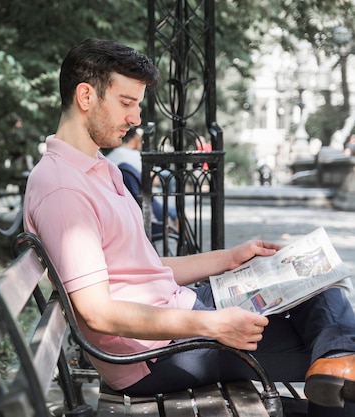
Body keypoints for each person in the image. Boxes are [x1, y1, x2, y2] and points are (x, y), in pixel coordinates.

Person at [23, 37, 355, 417]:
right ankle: (339, 363)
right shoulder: (64, 187)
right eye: (126, 103)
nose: (135, 118)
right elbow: (98, 312)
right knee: (340, 371)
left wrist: (229, 258)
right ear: (86, 96)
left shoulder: (99, 168)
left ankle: (338, 360)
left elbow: (144, 269)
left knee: (321, 285)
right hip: (156, 354)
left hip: (175, 322)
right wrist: (213, 324)